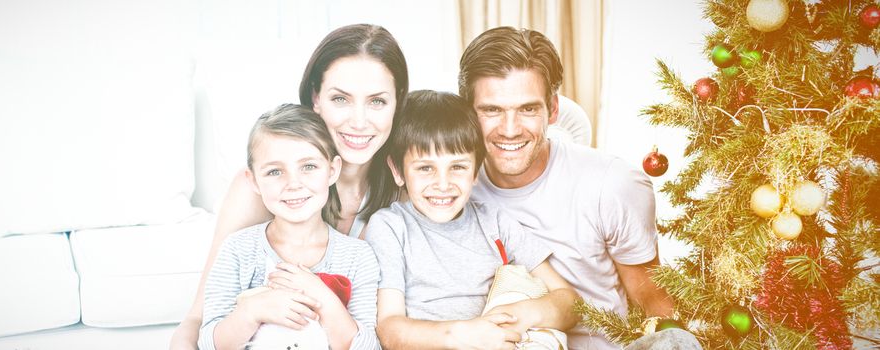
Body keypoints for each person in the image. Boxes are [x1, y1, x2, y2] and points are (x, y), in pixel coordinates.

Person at [171, 23, 408, 349]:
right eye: (341, 98)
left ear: (397, 103)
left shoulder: (408, 189)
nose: (358, 121)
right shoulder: (260, 190)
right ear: (316, 98)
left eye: (377, 102)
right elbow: (199, 319)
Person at [460, 27, 697, 349]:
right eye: (491, 110)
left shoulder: (611, 183)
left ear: (553, 109)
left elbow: (651, 297)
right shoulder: (450, 192)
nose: (510, 129)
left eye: (527, 109)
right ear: (467, 114)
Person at [363, 90, 581, 350]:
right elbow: (390, 329)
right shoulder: (390, 227)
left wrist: (520, 315)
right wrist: (464, 335)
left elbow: (571, 303)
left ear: (476, 170)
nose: (443, 184)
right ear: (398, 171)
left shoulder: (494, 223)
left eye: (458, 167)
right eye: (425, 168)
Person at [197, 104, 381, 350]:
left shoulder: (358, 256)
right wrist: (252, 311)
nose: (293, 183)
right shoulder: (238, 249)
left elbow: (369, 346)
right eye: (274, 171)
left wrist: (324, 299)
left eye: (308, 167)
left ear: (332, 170)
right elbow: (209, 343)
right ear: (253, 181)